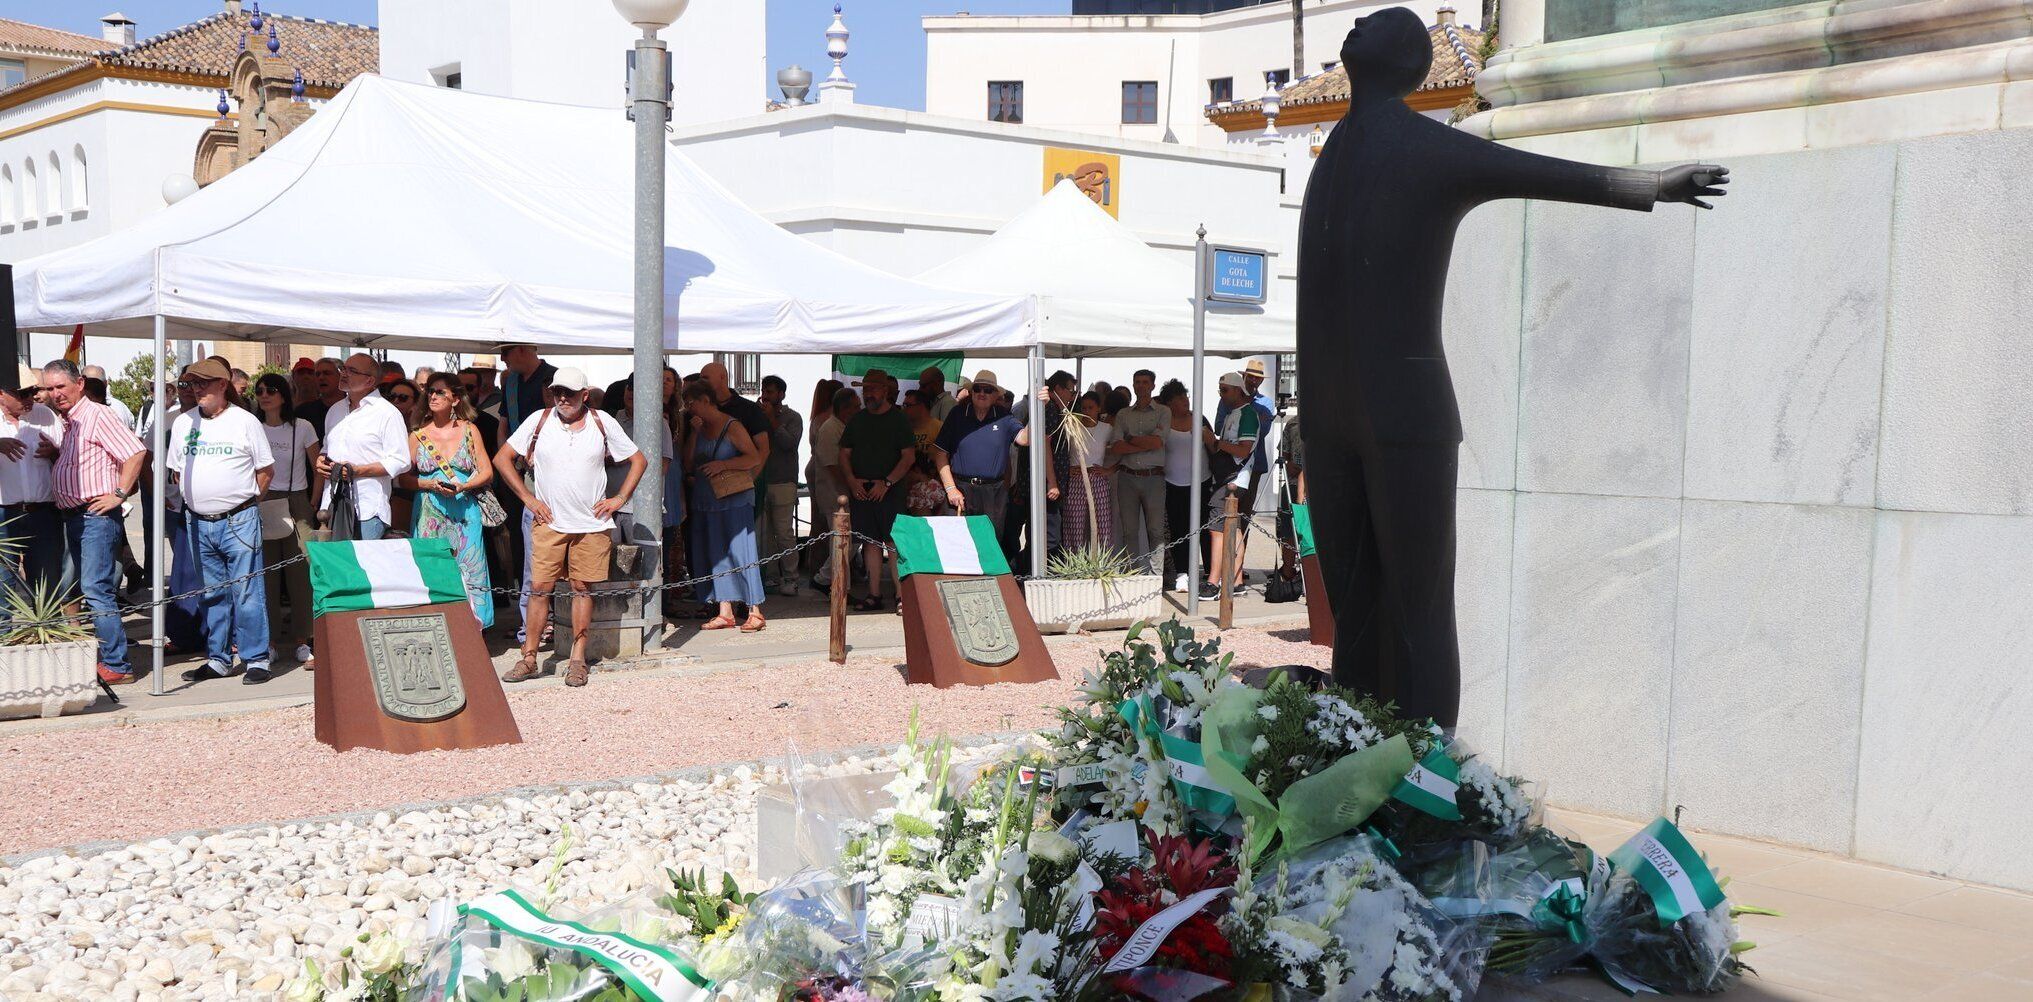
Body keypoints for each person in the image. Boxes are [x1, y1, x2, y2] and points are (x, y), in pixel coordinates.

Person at [495, 368, 646, 687]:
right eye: (557, 391)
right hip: (549, 522)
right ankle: (530, 657)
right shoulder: (539, 419)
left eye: (570, 392)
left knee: (581, 588)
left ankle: (577, 659)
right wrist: (528, 498)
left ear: (585, 395)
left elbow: (639, 460)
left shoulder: (603, 421)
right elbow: (502, 458)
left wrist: (618, 499)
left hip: (591, 525)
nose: (563, 398)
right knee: (539, 589)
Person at [165, 359, 275, 684]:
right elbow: (175, 471)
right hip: (197, 521)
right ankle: (218, 658)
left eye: (204, 382)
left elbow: (266, 470)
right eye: (192, 383)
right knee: (211, 593)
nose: (197, 388)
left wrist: (246, 502)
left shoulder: (245, 421)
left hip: (238, 519)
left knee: (247, 592)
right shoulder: (183, 423)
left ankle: (256, 658)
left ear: (222, 385)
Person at [45, 360, 146, 684]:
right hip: (76, 517)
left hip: (95, 517)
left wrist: (118, 493)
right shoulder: (71, 421)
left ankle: (118, 665)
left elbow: (136, 452)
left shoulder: (97, 415)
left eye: (60, 386)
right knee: (73, 589)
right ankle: (96, 658)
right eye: (50, 388)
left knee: (95, 589)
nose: (55, 393)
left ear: (79, 384)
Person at [401, 373, 496, 630]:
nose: (433, 395)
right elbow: (404, 480)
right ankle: (435, 627)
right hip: (429, 510)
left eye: (441, 392)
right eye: (430, 391)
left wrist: (464, 485)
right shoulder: (417, 435)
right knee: (431, 568)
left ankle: (473, 628)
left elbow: (487, 471)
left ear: (455, 398)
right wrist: (430, 484)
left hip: (464, 508)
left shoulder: (470, 430)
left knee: (470, 566)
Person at [683, 381, 766, 631]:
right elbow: (688, 463)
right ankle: (725, 610)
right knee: (715, 552)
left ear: (706, 401)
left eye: (691, 403)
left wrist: (724, 465)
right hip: (706, 499)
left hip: (734, 499)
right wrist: (695, 433)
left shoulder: (733, 425)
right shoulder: (698, 427)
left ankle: (755, 611)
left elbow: (754, 456)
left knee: (742, 551)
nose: (689, 408)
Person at [253, 373, 319, 666]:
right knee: (265, 574)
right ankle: (268, 641)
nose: (264, 395)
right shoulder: (252, 427)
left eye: (271, 390)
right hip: (262, 498)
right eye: (260, 391)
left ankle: (303, 640)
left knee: (301, 573)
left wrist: (314, 504)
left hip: (297, 499)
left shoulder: (301, 427)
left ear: (284, 394)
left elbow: (318, 467)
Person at [837, 369, 915, 611]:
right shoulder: (858, 420)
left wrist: (888, 482)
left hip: (890, 490)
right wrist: (852, 481)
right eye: (865, 389)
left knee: (892, 542)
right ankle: (874, 594)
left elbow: (908, 457)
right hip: (862, 489)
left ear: (885, 391)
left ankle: (901, 595)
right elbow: (844, 453)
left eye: (872, 389)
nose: (867, 393)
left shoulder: (899, 419)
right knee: (870, 542)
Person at [315, 353, 413, 540]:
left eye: (351, 370)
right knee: (335, 568)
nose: (344, 373)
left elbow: (400, 461)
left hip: (367, 509)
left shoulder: (387, 413)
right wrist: (321, 459)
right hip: (331, 505)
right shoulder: (335, 410)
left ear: (369, 381)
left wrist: (358, 471)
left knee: (364, 568)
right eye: (343, 368)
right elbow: (328, 447)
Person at [932, 370, 1036, 542]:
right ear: (972, 392)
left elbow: (1025, 439)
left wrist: (1039, 408)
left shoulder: (1004, 417)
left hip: (993, 493)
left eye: (987, 390)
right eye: (978, 389)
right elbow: (940, 452)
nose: (982, 393)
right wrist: (951, 489)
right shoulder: (957, 414)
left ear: (996, 395)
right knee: (955, 544)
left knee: (988, 546)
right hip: (960, 490)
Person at [0, 385, 67, 602]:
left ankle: (46, 632)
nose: (31, 398)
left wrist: (56, 453)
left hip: (43, 514)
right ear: (2, 394)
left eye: (32, 392)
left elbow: (68, 456)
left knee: (47, 584)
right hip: (4, 516)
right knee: (3, 587)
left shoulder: (44, 415)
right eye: (22, 394)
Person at [1200, 372, 1263, 600]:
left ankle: (1213, 582)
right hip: (1229, 478)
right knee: (1233, 529)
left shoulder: (1247, 414)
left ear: (1238, 390)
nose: (1222, 395)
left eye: (1225, 390)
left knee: (1216, 530)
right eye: (1220, 390)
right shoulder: (1232, 415)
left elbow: (1243, 449)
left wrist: (1215, 442)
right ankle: (1236, 582)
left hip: (1234, 480)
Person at [1110, 369, 1168, 573]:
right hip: (1128, 476)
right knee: (1129, 531)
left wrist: (1130, 439)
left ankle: (1155, 576)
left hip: (1154, 477)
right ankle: (1133, 574)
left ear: (1153, 385)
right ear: (1133, 385)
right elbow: (1116, 447)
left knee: (1156, 531)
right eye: (1137, 382)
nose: (1141, 385)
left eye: (1145, 382)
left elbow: (1158, 441)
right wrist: (1147, 443)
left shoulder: (1163, 411)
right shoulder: (1123, 414)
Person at [755, 375, 802, 597]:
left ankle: (791, 577)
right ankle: (771, 576)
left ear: (781, 394)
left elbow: (789, 444)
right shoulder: (755, 414)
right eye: (764, 390)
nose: (766, 395)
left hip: (783, 481)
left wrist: (773, 419)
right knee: (765, 533)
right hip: (760, 481)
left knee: (784, 533)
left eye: (771, 392)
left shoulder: (793, 418)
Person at [808, 386, 859, 591]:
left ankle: (827, 579)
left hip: (844, 491)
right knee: (841, 540)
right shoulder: (830, 428)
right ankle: (832, 583)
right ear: (845, 409)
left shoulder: (843, 426)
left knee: (850, 541)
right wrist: (852, 483)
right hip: (833, 492)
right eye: (856, 407)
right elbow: (832, 464)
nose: (859, 409)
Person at [1158, 379, 1203, 590]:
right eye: (1178, 398)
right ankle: (1183, 573)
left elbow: (1213, 447)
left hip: (1201, 482)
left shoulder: (1199, 418)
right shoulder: (1164, 424)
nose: (1184, 401)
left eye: (1185, 396)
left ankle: (1207, 573)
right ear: (1169, 403)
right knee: (1179, 530)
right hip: (1173, 483)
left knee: (1202, 528)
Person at [1060, 391, 1115, 553]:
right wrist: (1067, 470)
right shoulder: (1071, 427)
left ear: (1098, 408)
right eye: (1083, 408)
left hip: (1097, 478)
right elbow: (1061, 454)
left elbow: (1120, 449)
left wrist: (1110, 470)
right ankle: (1073, 564)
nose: (1086, 411)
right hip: (1076, 479)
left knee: (1103, 524)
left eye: (1090, 407)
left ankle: (1104, 563)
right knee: (1074, 525)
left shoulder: (1107, 429)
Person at [298, 357, 343, 434]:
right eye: (317, 374)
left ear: (341, 376)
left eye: (327, 373)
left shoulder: (356, 409)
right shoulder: (303, 412)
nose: (321, 378)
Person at [902, 389, 942, 461]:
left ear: (921, 406)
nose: (903, 409)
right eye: (903, 405)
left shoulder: (939, 428)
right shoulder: (903, 429)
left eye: (907, 405)